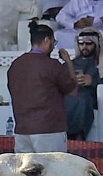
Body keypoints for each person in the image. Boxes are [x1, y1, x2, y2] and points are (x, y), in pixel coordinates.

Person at [5, 22, 76, 153]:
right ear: (47, 40)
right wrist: (68, 62)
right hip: (49, 129)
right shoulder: (51, 65)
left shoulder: (16, 65)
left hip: (22, 129)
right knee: (52, 170)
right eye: (54, 43)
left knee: (25, 171)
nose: (54, 47)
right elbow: (73, 90)